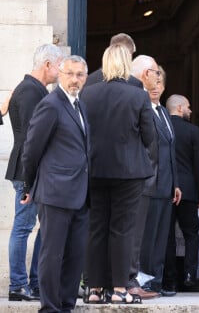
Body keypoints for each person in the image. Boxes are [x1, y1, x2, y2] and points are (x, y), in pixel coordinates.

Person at [80, 44, 157, 304]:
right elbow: (150, 137)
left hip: (95, 169)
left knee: (96, 228)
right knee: (122, 229)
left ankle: (94, 289)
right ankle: (120, 289)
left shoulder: (87, 95)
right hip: (129, 171)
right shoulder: (138, 96)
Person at [21, 55, 89, 312]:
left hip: (80, 194)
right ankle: (50, 308)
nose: (75, 80)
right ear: (60, 74)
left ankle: (66, 305)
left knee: (75, 255)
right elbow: (32, 149)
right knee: (52, 254)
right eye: (70, 74)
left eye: (80, 75)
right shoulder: (51, 104)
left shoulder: (79, 105)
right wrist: (29, 185)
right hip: (55, 193)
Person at [5, 43, 63, 301]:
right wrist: (29, 181)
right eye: (60, 66)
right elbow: (32, 137)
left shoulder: (35, 89)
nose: (62, 72)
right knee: (23, 226)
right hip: (27, 171)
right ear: (48, 64)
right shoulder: (30, 91)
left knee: (42, 227)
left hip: (35, 171)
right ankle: (18, 285)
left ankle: (37, 282)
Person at [125, 54, 165, 299]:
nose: (157, 76)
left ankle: (127, 281)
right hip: (137, 177)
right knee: (133, 235)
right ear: (144, 74)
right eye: (154, 71)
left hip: (137, 177)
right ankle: (129, 282)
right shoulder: (136, 97)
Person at [140, 67, 182, 295]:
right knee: (147, 237)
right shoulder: (142, 110)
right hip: (149, 183)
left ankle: (156, 281)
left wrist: (175, 183)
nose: (156, 88)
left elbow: (170, 150)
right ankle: (143, 280)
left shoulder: (165, 114)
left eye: (160, 84)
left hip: (166, 185)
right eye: (152, 84)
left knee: (161, 237)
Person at [163, 94, 199, 292]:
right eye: (188, 107)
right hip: (188, 190)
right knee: (191, 234)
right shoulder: (194, 131)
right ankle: (190, 275)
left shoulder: (162, 127)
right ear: (180, 108)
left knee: (167, 236)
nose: (190, 110)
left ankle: (169, 280)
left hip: (165, 188)